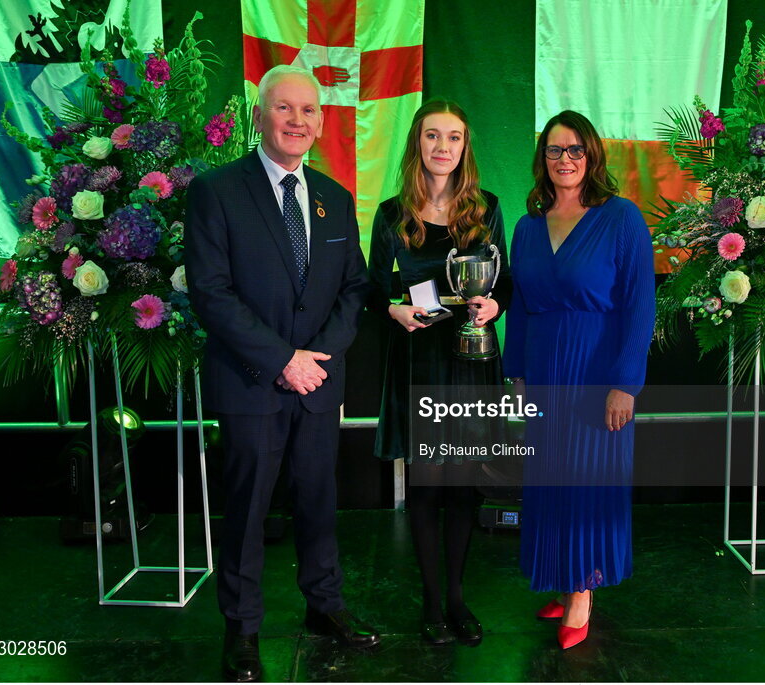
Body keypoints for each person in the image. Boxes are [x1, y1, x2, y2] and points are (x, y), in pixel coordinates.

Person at [185, 65, 377, 682]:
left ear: (322, 122)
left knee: (319, 502)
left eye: (310, 111)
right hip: (250, 384)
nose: (299, 121)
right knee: (245, 512)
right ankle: (241, 630)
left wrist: (316, 360)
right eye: (285, 109)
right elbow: (211, 295)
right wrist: (281, 361)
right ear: (260, 114)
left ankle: (325, 607)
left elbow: (355, 288)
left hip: (318, 385)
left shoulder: (335, 198)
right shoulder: (216, 192)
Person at [502, 110, 655, 650]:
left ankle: (583, 596)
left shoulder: (622, 219)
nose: (564, 160)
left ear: (591, 156)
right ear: (542, 160)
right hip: (543, 370)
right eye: (554, 151)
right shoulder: (526, 226)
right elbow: (519, 307)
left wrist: (625, 384)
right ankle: (564, 580)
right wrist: (515, 374)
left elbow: (640, 307)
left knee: (588, 482)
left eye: (574, 150)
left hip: (596, 370)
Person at [367, 99, 511, 646]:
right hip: (420, 359)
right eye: (432, 136)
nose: (442, 147)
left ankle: (455, 598)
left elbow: (506, 283)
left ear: (465, 147)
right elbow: (375, 287)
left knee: (464, 488)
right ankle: (431, 603)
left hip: (472, 361)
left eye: (453, 137)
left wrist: (493, 306)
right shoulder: (390, 214)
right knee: (427, 487)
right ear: (417, 143)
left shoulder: (487, 207)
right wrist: (393, 309)